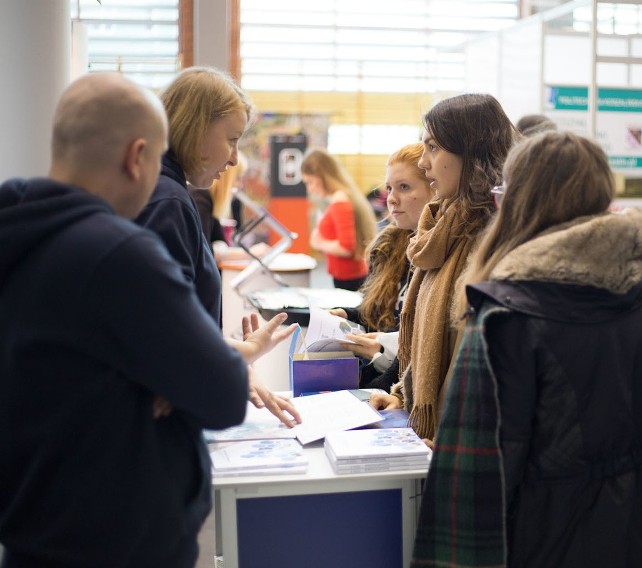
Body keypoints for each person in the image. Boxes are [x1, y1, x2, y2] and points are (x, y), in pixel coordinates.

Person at [0, 73, 252, 567]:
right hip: (112, 539)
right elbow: (223, 394)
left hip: (30, 526)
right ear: (138, 156)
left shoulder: (18, 231)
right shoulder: (117, 253)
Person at [411, 130, 642, 567]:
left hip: (539, 536)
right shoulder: (640, 294)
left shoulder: (503, 316)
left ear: (518, 202)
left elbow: (473, 477)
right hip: (632, 523)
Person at [133, 66, 296, 422]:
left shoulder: (168, 194)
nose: (235, 158)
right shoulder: (168, 202)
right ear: (197, 127)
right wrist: (244, 353)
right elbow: (163, 337)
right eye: (232, 139)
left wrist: (237, 358)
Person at [370, 94, 519, 441]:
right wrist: (401, 397)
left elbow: (484, 368)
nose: (424, 163)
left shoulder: (493, 239)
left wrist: (449, 441)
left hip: (464, 438)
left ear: (471, 152)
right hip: (431, 435)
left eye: (434, 148)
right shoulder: (442, 231)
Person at [332, 143, 434, 391]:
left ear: (435, 190)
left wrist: (379, 355)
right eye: (389, 188)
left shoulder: (438, 254)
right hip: (377, 380)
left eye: (404, 187)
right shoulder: (389, 246)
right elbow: (378, 313)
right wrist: (349, 315)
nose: (391, 198)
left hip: (398, 389)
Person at [301, 148, 377, 291]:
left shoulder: (340, 201)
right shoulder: (343, 198)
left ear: (321, 176)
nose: (310, 189)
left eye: (310, 182)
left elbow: (346, 247)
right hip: (349, 275)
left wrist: (319, 242)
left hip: (349, 278)